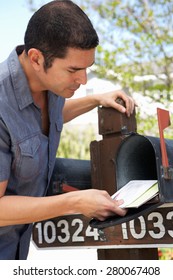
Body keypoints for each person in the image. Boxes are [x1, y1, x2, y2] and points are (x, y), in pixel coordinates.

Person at [0, 0, 135, 260]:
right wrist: (74, 202)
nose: (83, 81)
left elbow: (37, 122)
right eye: (74, 70)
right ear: (36, 58)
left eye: (87, 68)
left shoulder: (51, 85)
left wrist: (96, 99)